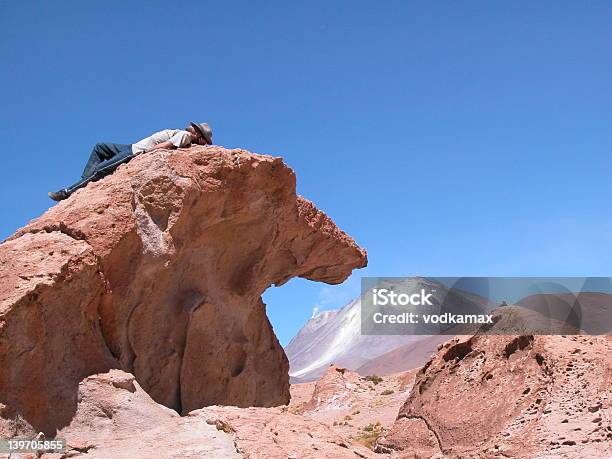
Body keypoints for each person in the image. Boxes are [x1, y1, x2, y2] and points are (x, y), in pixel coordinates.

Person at [48, 122, 213, 201]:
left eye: (195, 129)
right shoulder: (183, 135)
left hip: (135, 152)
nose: (190, 127)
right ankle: (84, 182)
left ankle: (67, 193)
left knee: (101, 170)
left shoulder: (186, 136)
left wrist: (148, 152)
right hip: (131, 147)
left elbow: (167, 145)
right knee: (100, 148)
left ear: (197, 134)